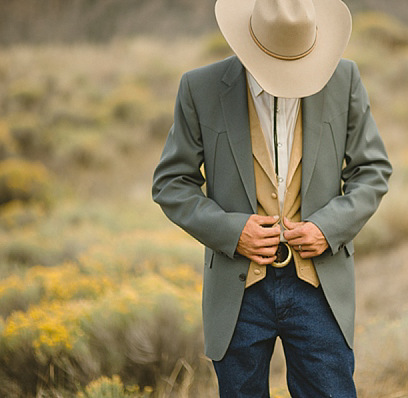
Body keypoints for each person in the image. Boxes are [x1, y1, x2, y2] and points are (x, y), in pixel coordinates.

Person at [152, 0, 392, 396]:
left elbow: (373, 170)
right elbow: (171, 182)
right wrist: (232, 231)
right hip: (237, 289)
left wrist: (327, 228)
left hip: (319, 285)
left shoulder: (344, 79)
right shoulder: (201, 88)